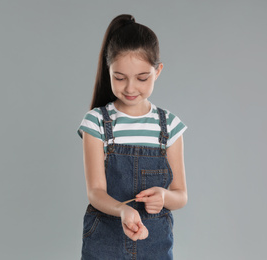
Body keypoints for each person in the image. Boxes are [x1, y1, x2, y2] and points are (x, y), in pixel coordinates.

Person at [77, 14, 188, 259]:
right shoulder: (95, 121)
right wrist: (122, 210)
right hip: (105, 237)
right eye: (119, 77)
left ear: (157, 71)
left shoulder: (170, 125)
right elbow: (95, 191)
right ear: (109, 71)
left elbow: (181, 195)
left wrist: (164, 197)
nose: (130, 88)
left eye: (141, 78)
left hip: (154, 240)